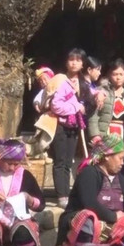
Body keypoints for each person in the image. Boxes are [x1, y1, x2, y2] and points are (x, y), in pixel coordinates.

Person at [50, 48, 96, 208]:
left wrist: (99, 96)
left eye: (78, 60)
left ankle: (67, 193)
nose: (74, 62)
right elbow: (54, 105)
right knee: (60, 160)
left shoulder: (84, 82)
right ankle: (61, 195)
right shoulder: (59, 80)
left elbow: (91, 99)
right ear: (66, 62)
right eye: (71, 59)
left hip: (75, 126)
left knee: (69, 161)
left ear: (83, 63)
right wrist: (75, 108)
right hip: (60, 125)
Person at [89, 59, 124, 143]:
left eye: (121, 74)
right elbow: (93, 115)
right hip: (104, 135)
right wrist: (95, 134)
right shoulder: (101, 92)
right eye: (115, 74)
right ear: (110, 75)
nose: (118, 77)